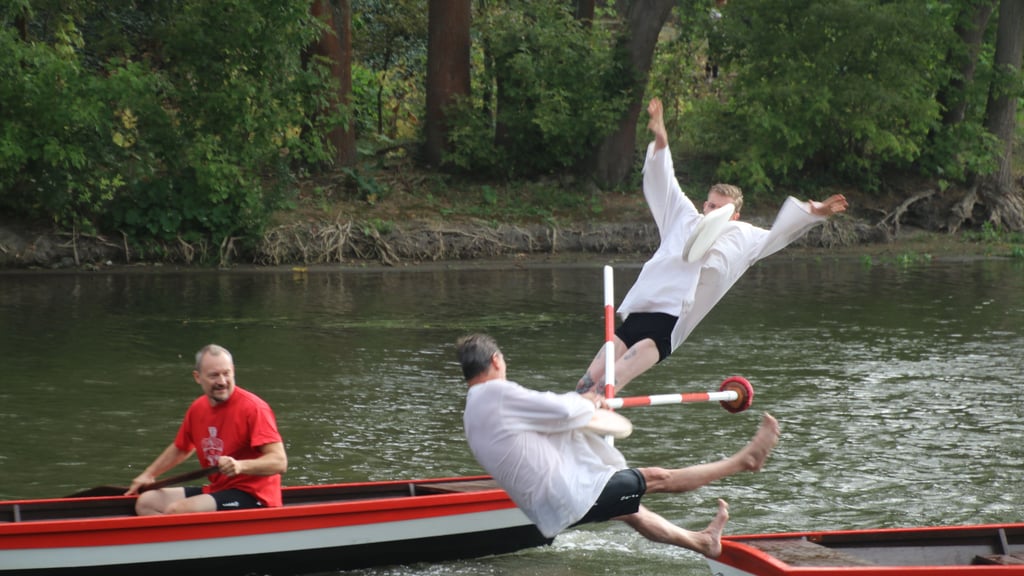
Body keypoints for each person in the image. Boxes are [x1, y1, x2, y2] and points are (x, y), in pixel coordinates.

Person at [577, 97, 848, 398]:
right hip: (640, 312)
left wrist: (816, 212)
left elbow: (781, 233)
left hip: (667, 327)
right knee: (584, 386)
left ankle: (584, 428)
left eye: (720, 208)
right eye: (710, 204)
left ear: (734, 215)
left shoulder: (743, 237)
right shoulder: (683, 217)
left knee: (603, 391)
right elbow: (664, 183)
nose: (710, 209)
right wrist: (661, 139)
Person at [456, 333, 780, 558]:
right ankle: (745, 460)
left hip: (549, 511)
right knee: (656, 477)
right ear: (496, 360)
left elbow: (537, 430)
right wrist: (591, 402)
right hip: (572, 496)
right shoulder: (497, 393)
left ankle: (703, 542)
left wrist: (585, 410)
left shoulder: (473, 414)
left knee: (632, 511)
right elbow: (561, 409)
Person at [127, 344, 288, 515]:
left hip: (254, 495)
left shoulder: (254, 408)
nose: (222, 381)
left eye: (226, 373)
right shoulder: (198, 408)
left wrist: (240, 466)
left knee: (177, 510)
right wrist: (148, 475)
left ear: (233, 370)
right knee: (146, 502)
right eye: (214, 376)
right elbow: (182, 448)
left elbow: (279, 462)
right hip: (219, 489)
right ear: (198, 377)